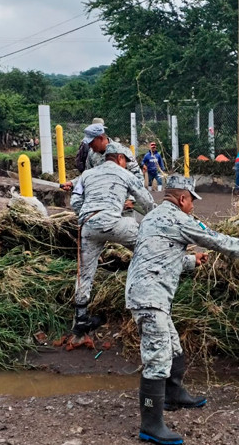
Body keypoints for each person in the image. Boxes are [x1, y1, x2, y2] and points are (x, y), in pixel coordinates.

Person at [125, 175, 239, 445]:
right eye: (191, 201)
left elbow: (158, 254)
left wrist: (191, 261)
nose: (192, 207)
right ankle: (150, 425)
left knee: (173, 346)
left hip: (149, 294)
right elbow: (213, 239)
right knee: (157, 357)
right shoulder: (179, 219)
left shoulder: (153, 217)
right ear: (182, 198)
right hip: (149, 297)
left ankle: (173, 395)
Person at [72, 142, 155, 336]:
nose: (126, 164)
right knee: (147, 246)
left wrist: (86, 217)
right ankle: (172, 271)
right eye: (125, 161)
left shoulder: (86, 175)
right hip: (115, 223)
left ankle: (81, 319)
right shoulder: (125, 174)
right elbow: (147, 201)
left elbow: (75, 201)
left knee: (84, 272)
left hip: (88, 225)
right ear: (119, 158)